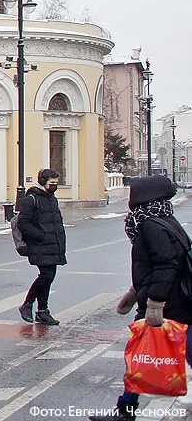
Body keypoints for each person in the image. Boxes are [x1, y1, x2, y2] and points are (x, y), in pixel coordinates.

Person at [91, 176, 191, 421]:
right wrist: (134, 293)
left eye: (132, 191)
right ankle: (126, 408)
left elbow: (166, 265)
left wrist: (154, 302)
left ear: (145, 195)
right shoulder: (164, 219)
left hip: (168, 302)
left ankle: (126, 411)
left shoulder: (150, 225)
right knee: (145, 354)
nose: (129, 197)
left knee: (140, 353)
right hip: (177, 299)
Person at [17, 169, 66, 326]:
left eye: (56, 183)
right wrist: (41, 236)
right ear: (43, 181)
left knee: (48, 277)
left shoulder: (51, 199)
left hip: (52, 245)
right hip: (39, 245)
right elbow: (23, 223)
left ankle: (42, 311)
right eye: (52, 183)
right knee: (46, 276)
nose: (54, 186)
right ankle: (28, 304)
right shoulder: (31, 199)